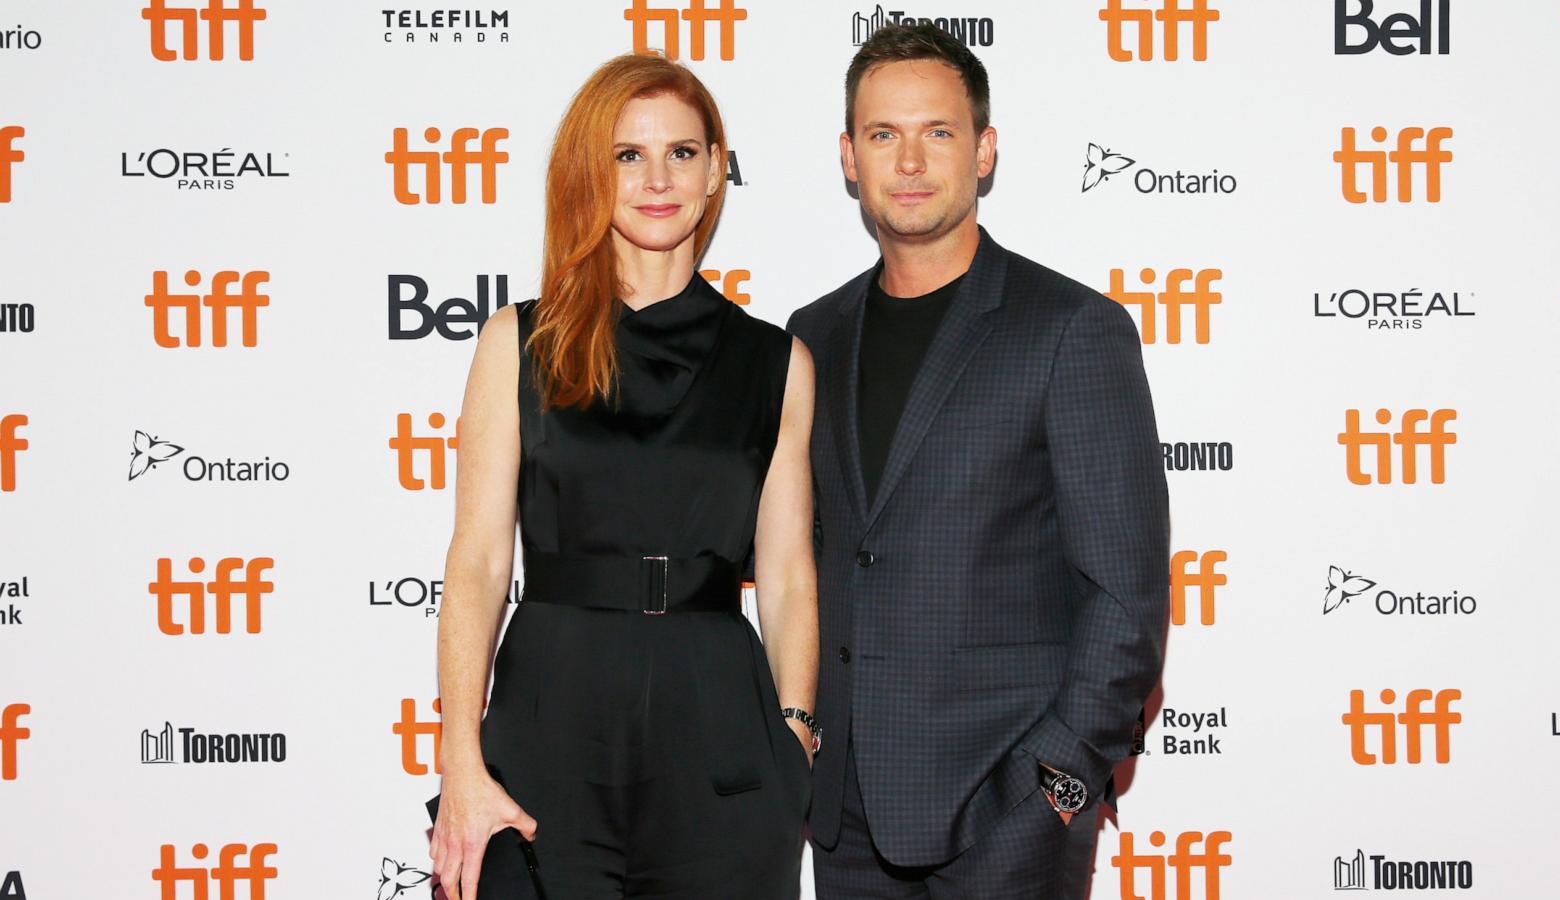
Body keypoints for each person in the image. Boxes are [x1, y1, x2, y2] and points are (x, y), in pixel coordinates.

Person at [786, 23, 1170, 899]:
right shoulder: (813, 337)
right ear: (850, 158)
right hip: (846, 821)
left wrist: (1057, 787)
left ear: (984, 149)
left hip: (1008, 821)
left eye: (939, 132)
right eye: (884, 135)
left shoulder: (1070, 329)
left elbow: (1127, 594)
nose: (910, 160)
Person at [427, 52, 818, 900]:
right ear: (591, 171)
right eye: (627, 155)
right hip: (551, 717)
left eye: (682, 152)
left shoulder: (775, 362)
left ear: (718, 169)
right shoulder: (518, 343)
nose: (657, 179)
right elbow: (480, 562)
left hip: (719, 728)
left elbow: (786, 573)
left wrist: (794, 734)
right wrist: (461, 758)